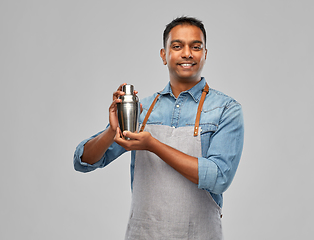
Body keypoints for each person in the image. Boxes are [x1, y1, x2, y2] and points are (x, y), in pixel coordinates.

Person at [73, 16, 244, 239]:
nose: (187, 53)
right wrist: (110, 131)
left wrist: (153, 145)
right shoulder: (141, 110)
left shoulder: (226, 109)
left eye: (196, 46)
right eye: (177, 46)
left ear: (205, 54)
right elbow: (84, 161)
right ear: (164, 55)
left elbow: (219, 178)